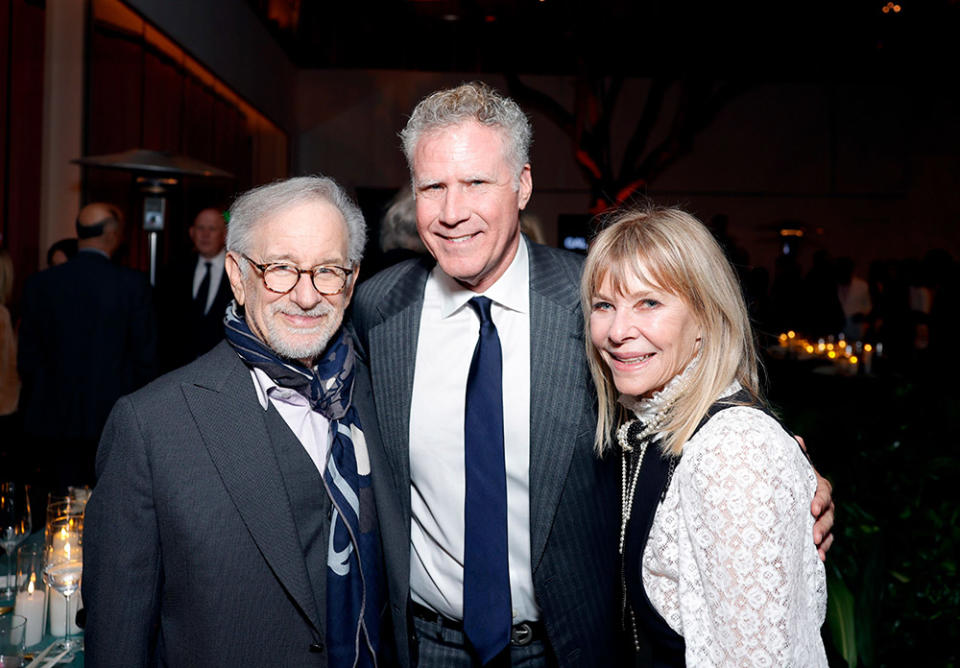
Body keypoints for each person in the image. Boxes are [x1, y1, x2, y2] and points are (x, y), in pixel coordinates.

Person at [353, 83, 834, 667]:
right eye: (433, 187)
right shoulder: (379, 310)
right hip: (427, 645)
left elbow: (692, 408)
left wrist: (786, 482)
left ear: (523, 185)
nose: (453, 212)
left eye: (477, 182)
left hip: (569, 647)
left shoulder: (598, 301)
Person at [83, 176, 398, 666]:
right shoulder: (151, 427)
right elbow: (118, 641)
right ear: (238, 274)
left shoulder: (384, 399)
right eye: (280, 269)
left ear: (352, 280)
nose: (307, 295)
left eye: (328, 271)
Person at [583, 207, 828, 666]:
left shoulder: (733, 449)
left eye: (649, 303)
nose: (617, 332)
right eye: (604, 305)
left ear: (705, 318)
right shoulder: (650, 427)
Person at [18, 203, 156, 487]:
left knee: (58, 506)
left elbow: (27, 359)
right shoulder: (132, 285)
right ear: (112, 235)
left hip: (51, 420)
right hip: (113, 419)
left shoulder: (40, 284)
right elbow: (146, 359)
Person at [156, 207, 234, 371]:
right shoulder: (173, 270)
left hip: (222, 370)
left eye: (212, 229)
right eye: (200, 228)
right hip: (177, 370)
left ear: (225, 235)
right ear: (191, 232)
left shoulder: (237, 273)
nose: (205, 234)